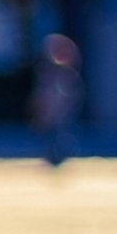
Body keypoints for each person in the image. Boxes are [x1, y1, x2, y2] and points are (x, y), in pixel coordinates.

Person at [30, 33, 82, 165]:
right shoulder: (47, 74)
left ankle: (59, 154)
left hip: (59, 111)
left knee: (59, 132)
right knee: (49, 133)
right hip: (51, 112)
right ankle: (52, 155)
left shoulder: (65, 76)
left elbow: (68, 97)